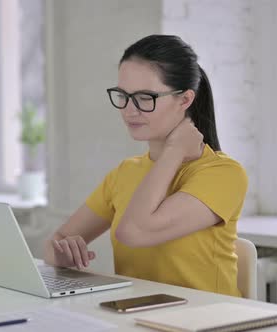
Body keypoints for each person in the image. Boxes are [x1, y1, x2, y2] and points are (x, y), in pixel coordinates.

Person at [43, 35, 248, 297]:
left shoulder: (223, 175)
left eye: (144, 97)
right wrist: (62, 256)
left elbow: (135, 231)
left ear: (185, 100)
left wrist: (174, 150)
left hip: (207, 320)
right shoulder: (125, 172)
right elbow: (55, 242)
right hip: (136, 316)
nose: (129, 110)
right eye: (123, 96)